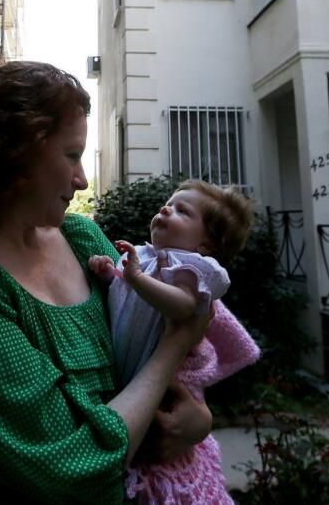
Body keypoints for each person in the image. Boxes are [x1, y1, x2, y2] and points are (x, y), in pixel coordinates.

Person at [0, 61, 213, 503]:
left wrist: (198, 420)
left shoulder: (83, 240)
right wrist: (177, 344)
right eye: (71, 155)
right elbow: (73, 470)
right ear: (15, 155)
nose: (81, 180)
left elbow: (141, 361)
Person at [88, 181, 261, 504]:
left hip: (172, 382)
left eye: (182, 210)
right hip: (138, 369)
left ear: (205, 245)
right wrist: (110, 275)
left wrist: (137, 278)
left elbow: (182, 307)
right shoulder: (145, 256)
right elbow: (125, 298)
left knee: (157, 458)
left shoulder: (194, 268)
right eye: (168, 204)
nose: (166, 209)